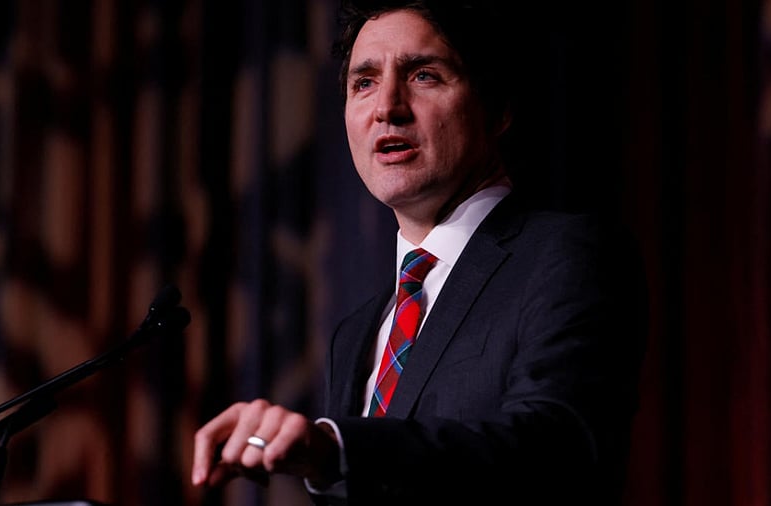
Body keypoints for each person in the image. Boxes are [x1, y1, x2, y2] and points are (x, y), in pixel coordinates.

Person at [191, 1, 649, 504]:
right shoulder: (357, 333)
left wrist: (336, 448)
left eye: (424, 75)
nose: (387, 105)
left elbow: (557, 446)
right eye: (363, 82)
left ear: (497, 108)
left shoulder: (563, 255)